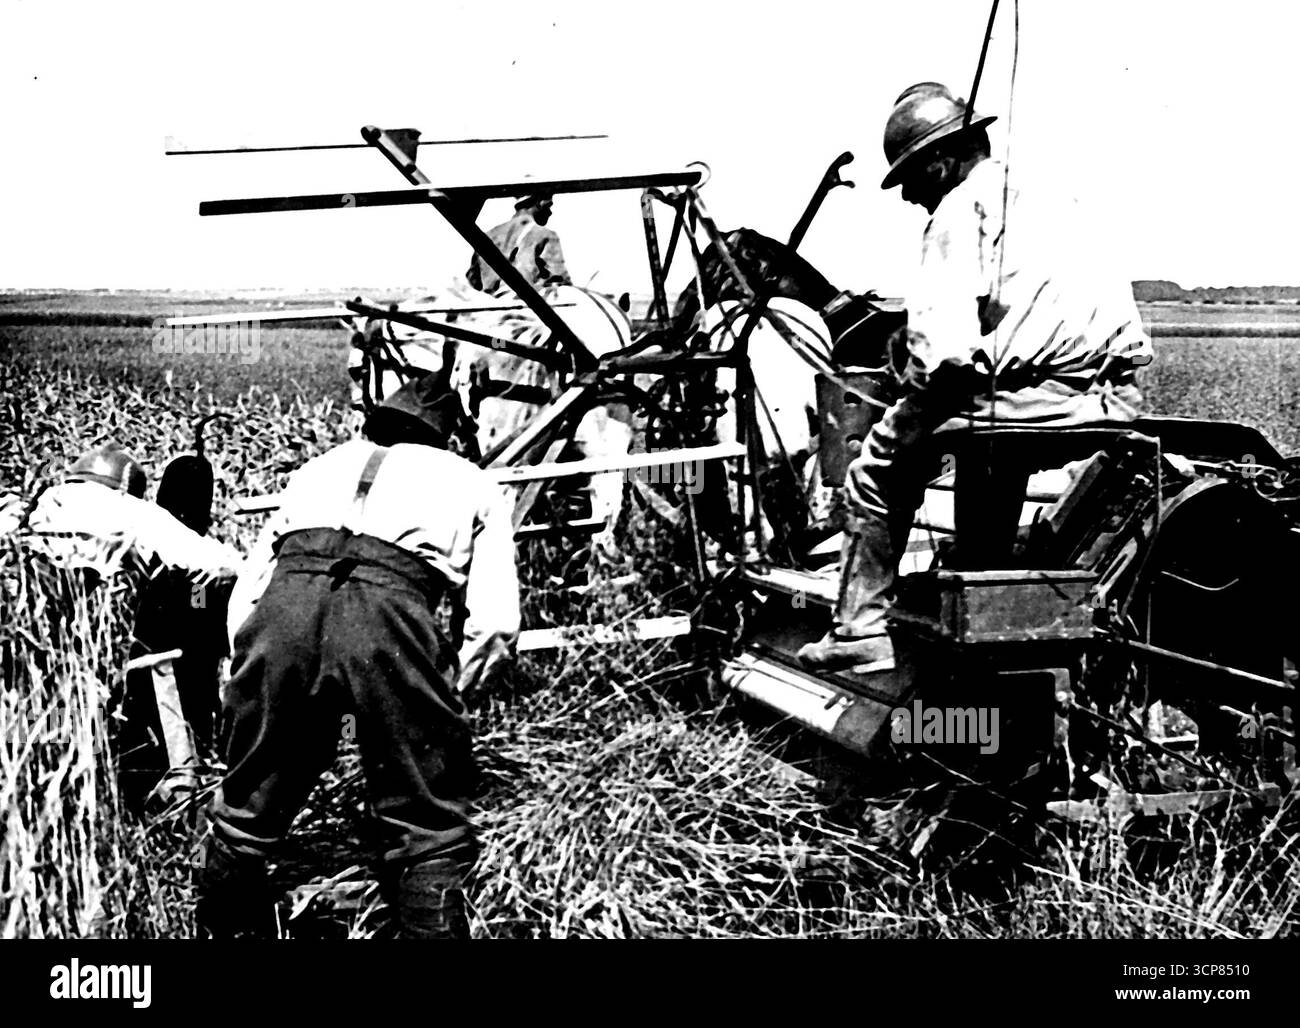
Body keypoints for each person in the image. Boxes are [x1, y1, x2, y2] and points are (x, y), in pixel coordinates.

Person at [798, 82, 1153, 672]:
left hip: (1022, 402)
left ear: (941, 162)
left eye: (910, 179)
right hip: (1109, 397)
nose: (911, 197)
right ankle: (985, 581)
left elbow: (943, 356)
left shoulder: (959, 209)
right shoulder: (1062, 200)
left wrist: (905, 388)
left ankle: (859, 630)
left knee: (875, 469)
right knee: (990, 450)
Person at [197, 372, 521, 939]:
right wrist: (446, 696)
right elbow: (495, 621)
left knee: (249, 800)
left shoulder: (318, 467)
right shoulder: (472, 480)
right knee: (426, 816)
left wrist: (251, 668)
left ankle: (221, 929)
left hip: (285, 609)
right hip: (387, 617)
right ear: (444, 435)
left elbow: (249, 589)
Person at [0, 442, 243, 811]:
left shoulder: (36, 501)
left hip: (26, 637)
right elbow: (222, 567)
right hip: (98, 649)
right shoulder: (136, 513)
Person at [466, 193, 571, 294]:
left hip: (492, 308)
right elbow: (558, 279)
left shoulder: (488, 236)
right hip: (528, 308)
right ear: (539, 202)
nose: (550, 212)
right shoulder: (545, 235)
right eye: (548, 206)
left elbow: (473, 280)